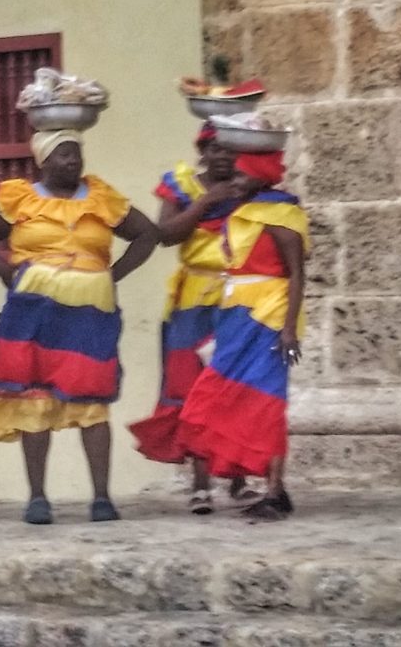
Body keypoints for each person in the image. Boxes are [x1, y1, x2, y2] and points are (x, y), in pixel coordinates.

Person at [0, 129, 158, 525]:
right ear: (44, 161)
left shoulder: (101, 197)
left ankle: (101, 498)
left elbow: (147, 234)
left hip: (90, 311)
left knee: (92, 396)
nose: (73, 161)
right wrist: (5, 271)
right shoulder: (22, 198)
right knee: (35, 397)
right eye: (64, 154)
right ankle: (38, 498)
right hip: (34, 309)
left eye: (77, 153)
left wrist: (110, 274)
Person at [128, 122, 259, 514]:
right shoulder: (181, 184)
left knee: (234, 386)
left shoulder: (250, 188)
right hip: (193, 300)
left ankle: (236, 479)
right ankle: (200, 486)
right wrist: (205, 203)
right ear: (202, 150)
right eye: (215, 148)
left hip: (238, 297)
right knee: (193, 388)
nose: (223, 156)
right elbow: (164, 234)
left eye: (230, 149)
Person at [177, 149, 308, 520]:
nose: (233, 181)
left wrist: (288, 330)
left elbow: (296, 274)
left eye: (240, 175)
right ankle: (250, 476)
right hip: (235, 315)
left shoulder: (282, 214)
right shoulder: (239, 212)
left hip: (269, 315)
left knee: (268, 399)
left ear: (260, 175)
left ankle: (276, 490)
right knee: (220, 394)